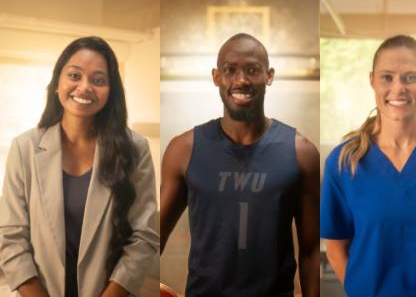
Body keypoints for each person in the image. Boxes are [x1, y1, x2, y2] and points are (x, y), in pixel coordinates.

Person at [159, 33, 320, 297]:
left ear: (269, 76)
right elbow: (153, 241)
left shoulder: (301, 152)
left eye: (252, 70)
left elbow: (311, 251)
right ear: (216, 77)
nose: (241, 80)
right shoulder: (184, 149)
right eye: (230, 70)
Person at [320, 34, 416, 296]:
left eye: (410, 77)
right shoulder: (343, 161)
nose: (398, 88)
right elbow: (336, 247)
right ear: (372, 80)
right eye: (387, 77)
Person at [0, 36, 158, 297]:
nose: (84, 87)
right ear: (57, 83)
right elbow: (11, 237)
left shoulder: (135, 149)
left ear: (111, 91)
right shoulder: (24, 147)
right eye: (74, 75)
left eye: (98, 80)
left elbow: (144, 237)